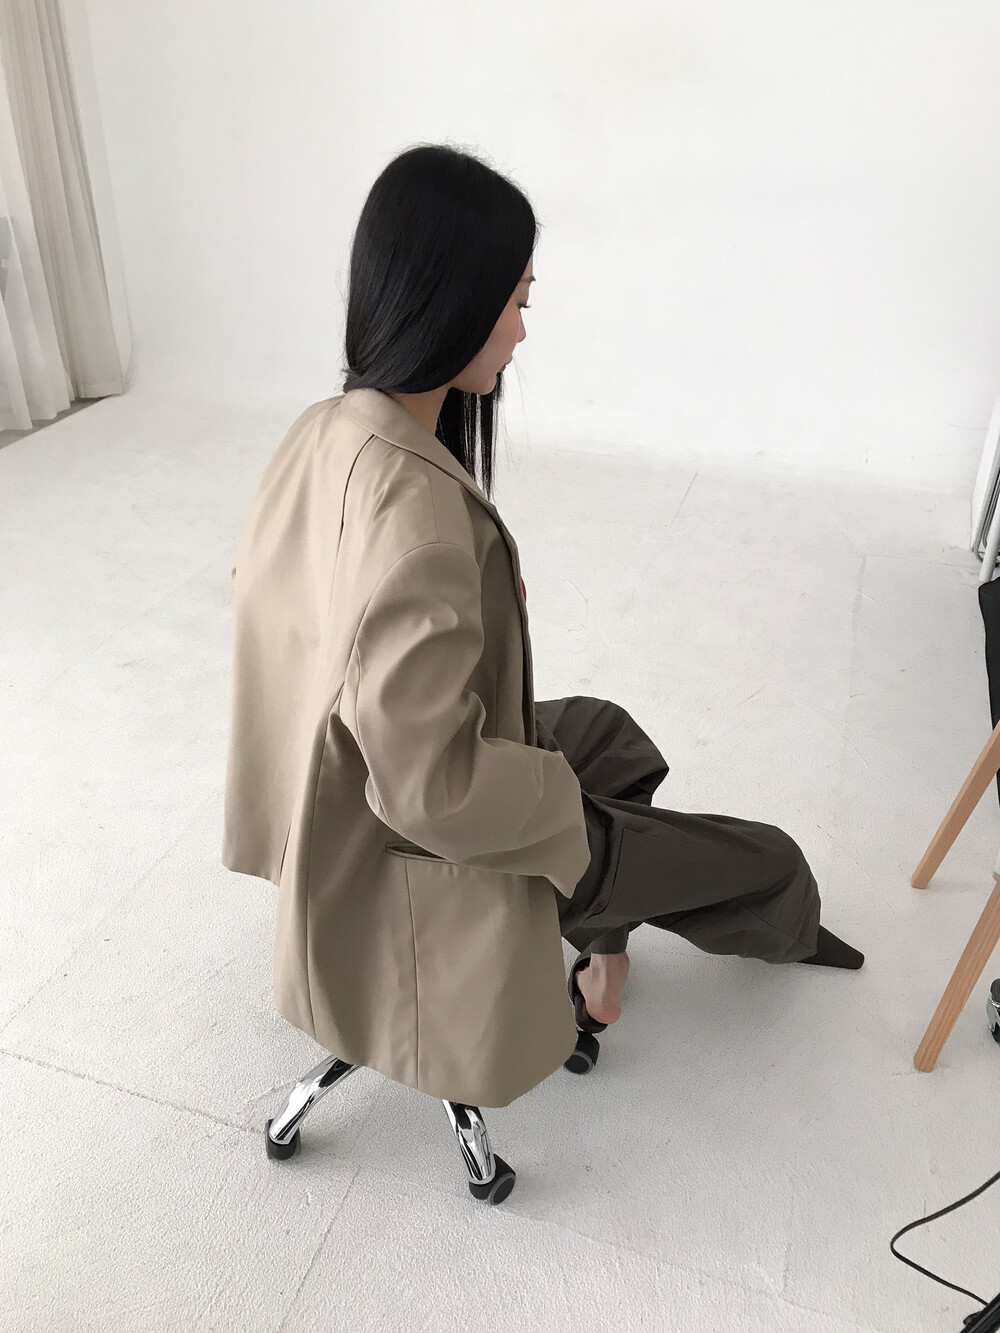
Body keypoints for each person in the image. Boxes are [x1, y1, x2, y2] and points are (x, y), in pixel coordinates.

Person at [222, 141, 862, 1111]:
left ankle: (601, 963)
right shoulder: (419, 520)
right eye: (515, 300)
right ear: (451, 302)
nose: (522, 329)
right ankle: (785, 919)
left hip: (333, 801)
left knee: (609, 732)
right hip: (426, 845)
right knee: (758, 856)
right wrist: (558, 803)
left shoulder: (326, 430)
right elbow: (433, 789)